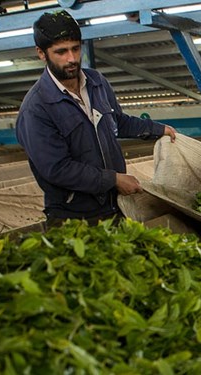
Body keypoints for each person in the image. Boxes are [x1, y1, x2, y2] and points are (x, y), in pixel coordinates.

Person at [16, 10, 177, 229]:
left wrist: (158, 129)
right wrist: (114, 180)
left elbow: (117, 122)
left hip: (114, 206)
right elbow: (57, 169)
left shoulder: (96, 82)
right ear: (41, 53)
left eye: (75, 48)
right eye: (61, 52)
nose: (72, 59)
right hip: (73, 217)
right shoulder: (36, 108)